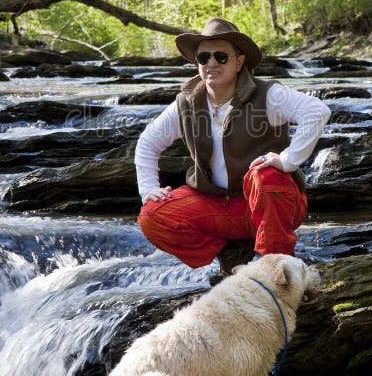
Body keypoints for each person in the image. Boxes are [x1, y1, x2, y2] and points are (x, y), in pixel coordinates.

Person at [134, 17, 331, 285]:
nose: (211, 63)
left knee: (265, 175)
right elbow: (147, 143)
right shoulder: (187, 103)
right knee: (152, 215)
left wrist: (287, 160)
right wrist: (148, 189)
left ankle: (275, 265)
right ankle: (232, 251)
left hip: (274, 203)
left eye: (221, 57)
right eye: (204, 57)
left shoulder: (268, 95)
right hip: (219, 206)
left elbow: (317, 111)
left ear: (239, 62)